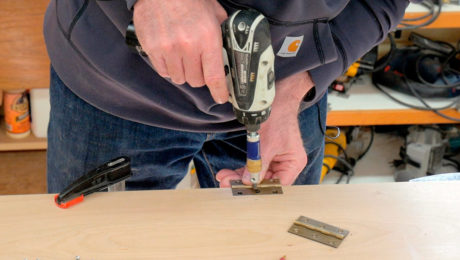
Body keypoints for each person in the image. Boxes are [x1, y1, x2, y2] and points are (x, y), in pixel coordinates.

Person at [44, 0, 415, 192]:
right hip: (119, 90)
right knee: (95, 244)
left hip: (283, 99)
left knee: (273, 242)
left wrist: (296, 85)